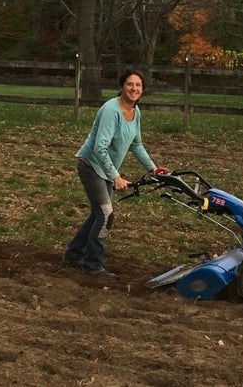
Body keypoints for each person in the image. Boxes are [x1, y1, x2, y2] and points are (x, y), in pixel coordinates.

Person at [63, 68, 166, 276]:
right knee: (106, 216)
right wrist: (115, 177)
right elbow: (100, 147)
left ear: (142, 90)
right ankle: (93, 266)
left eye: (138, 85)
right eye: (130, 84)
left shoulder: (135, 112)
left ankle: (74, 255)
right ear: (122, 86)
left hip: (105, 168)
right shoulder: (111, 110)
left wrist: (153, 168)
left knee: (98, 214)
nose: (134, 88)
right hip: (91, 165)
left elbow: (136, 144)